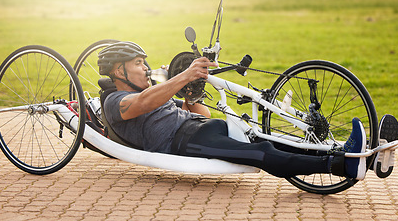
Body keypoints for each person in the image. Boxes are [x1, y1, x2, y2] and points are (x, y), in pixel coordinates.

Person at [98, 41, 368, 180]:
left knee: (276, 140)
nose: (146, 68)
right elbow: (143, 103)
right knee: (261, 153)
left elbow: (202, 115)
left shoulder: (153, 93)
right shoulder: (116, 102)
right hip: (185, 142)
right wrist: (181, 76)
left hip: (204, 129)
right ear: (118, 71)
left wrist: (191, 92)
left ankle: (348, 150)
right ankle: (341, 165)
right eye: (137, 63)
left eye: (145, 63)